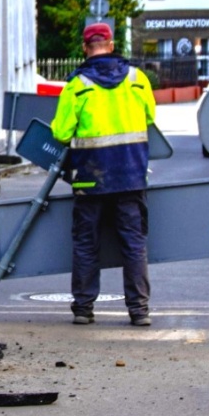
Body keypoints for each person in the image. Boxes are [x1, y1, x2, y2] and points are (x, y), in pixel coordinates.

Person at [51, 22, 157, 327]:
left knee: (86, 243)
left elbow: (60, 132)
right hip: (131, 175)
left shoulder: (77, 85)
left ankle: (83, 309)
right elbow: (151, 116)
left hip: (89, 177)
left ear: (85, 48)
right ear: (111, 45)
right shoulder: (137, 79)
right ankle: (139, 311)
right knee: (133, 244)